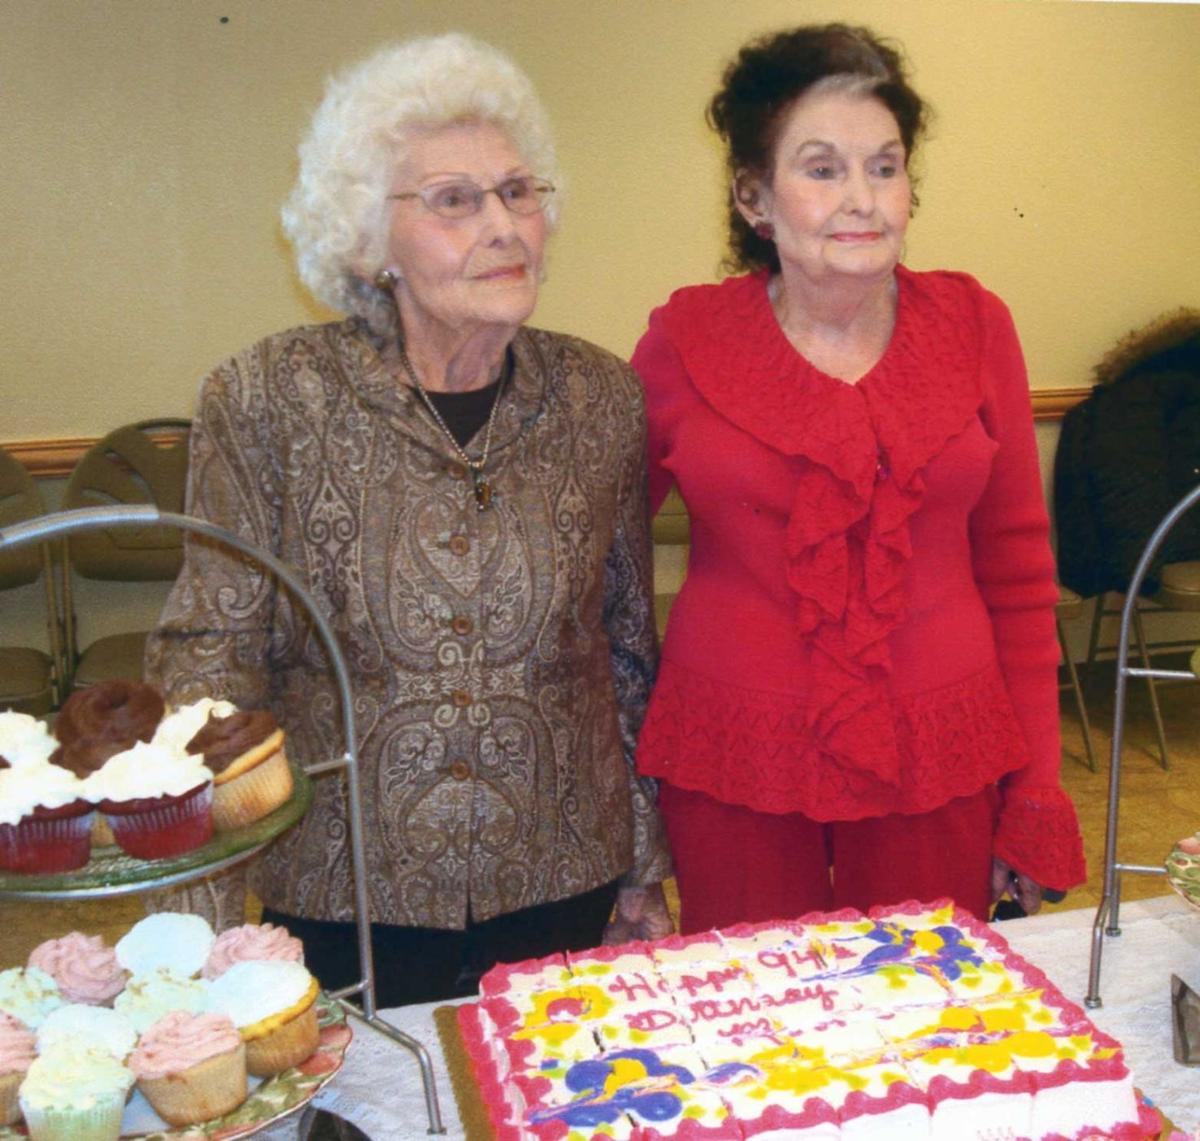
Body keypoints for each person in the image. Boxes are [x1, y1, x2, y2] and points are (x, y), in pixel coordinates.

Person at [145, 32, 672, 1005]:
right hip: (344, 886)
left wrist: (644, 861)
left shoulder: (602, 397)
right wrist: (206, 904)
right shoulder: (266, 397)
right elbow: (210, 660)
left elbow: (628, 645)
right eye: (454, 201)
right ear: (368, 239)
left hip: (563, 868)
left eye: (519, 192)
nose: (504, 224)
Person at [631, 24, 1085, 933]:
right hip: (737, 764)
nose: (862, 201)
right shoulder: (684, 344)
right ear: (753, 196)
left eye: (885, 167)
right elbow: (598, 577)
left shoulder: (976, 326)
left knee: (930, 1022)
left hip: (943, 754)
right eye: (823, 168)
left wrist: (1035, 785)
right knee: (755, 1026)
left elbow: (1021, 580)